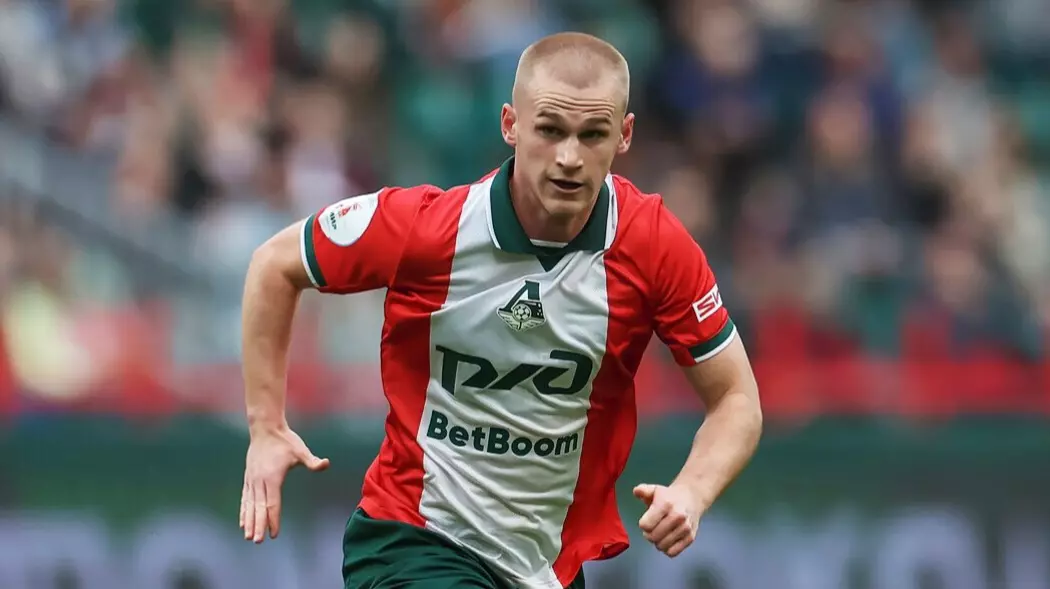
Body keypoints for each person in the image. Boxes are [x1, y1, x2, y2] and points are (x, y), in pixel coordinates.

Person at [239, 31, 762, 589]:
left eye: (592, 135)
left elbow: (736, 398)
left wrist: (692, 491)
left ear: (624, 135)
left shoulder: (654, 246)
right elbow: (275, 264)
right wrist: (266, 427)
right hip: (415, 540)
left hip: (544, 568)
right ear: (511, 124)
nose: (569, 158)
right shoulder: (430, 229)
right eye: (550, 130)